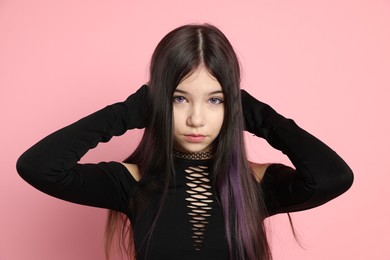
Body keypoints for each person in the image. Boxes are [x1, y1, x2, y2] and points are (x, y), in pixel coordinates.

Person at [16, 24, 353, 260]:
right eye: (179, 99)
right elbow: (39, 167)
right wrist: (130, 111)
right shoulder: (133, 183)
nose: (196, 119)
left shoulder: (254, 184)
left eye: (214, 100)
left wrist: (255, 114)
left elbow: (333, 176)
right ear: (159, 102)